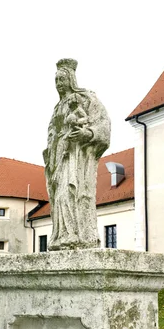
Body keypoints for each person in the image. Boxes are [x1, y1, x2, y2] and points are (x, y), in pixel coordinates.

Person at [43, 59, 111, 250]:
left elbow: (103, 126)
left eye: (62, 79)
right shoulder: (58, 107)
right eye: (56, 80)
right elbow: (51, 132)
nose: (59, 84)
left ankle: (77, 236)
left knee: (70, 192)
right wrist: (51, 150)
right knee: (58, 197)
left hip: (76, 156)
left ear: (71, 79)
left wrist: (87, 134)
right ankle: (61, 236)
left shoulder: (86, 99)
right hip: (58, 156)